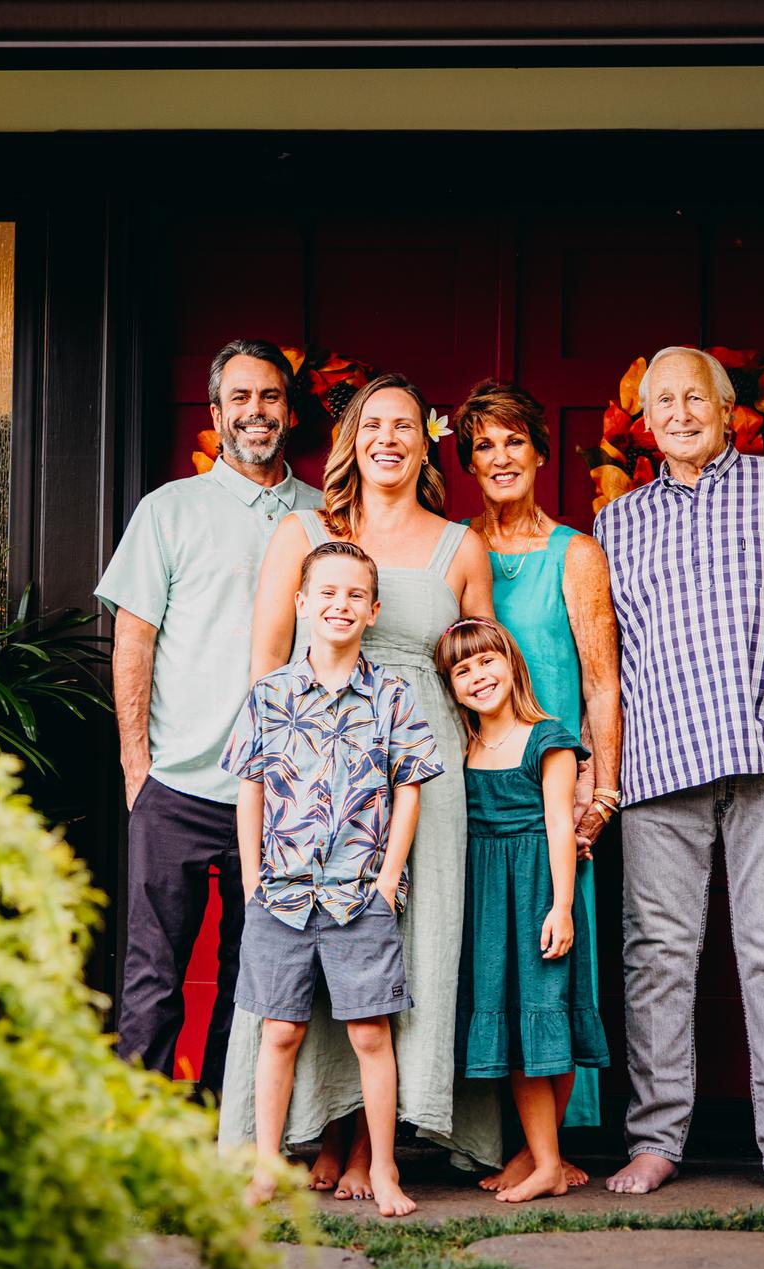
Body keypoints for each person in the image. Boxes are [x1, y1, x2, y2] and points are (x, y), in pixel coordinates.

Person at [595, 346, 764, 1209]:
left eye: (694, 397)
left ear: (726, 407)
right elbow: (607, 660)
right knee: (657, 959)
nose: (678, 412)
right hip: (660, 761)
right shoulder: (617, 521)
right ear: (645, 421)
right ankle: (654, 1142)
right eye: (661, 401)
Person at [216, 372, 500, 1195]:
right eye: (372, 423)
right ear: (352, 440)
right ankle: (318, 1138)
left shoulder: (461, 545)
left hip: (420, 770)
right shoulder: (305, 530)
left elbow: (480, 664)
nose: (387, 438)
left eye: (405, 425)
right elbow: (267, 660)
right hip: (312, 777)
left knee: (397, 946)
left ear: (425, 442)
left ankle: (379, 1149)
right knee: (304, 951)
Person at [95, 339, 322, 1096]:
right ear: (218, 412)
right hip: (181, 783)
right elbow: (134, 640)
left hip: (288, 794)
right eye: (240, 398)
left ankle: (229, 1132)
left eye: (269, 397)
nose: (255, 412)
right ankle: (140, 1136)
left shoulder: (324, 515)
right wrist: (137, 765)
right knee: (154, 973)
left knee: (254, 979)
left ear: (289, 411)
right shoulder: (170, 510)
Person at [226, 541, 442, 1218]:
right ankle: (265, 1167)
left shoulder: (392, 695)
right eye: (328, 593)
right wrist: (251, 876)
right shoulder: (270, 694)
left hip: (359, 894)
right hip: (280, 894)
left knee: (370, 1034)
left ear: (373, 610)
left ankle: (382, 1169)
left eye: (354, 595)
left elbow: (409, 790)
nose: (340, 605)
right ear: (302, 605)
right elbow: (249, 788)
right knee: (280, 1032)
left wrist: (387, 880)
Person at [453, 378, 622, 1190]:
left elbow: (600, 683)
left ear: (541, 452)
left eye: (513, 440)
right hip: (481, 797)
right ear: (467, 463)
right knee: (494, 969)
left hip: (557, 794)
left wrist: (604, 790)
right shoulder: (459, 547)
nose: (500, 457)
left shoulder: (575, 552)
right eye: (483, 445)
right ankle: (513, 1142)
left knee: (553, 970)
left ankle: (552, 1150)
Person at [435, 617, 609, 1204]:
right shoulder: (463, 746)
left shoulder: (547, 737)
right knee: (513, 1026)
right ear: (451, 686)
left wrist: (561, 907)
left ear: (511, 664)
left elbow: (561, 825)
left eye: (488, 661)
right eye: (462, 670)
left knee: (545, 1017)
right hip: (485, 900)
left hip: (538, 891)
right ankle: (544, 1158)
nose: (478, 676)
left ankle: (544, 1163)